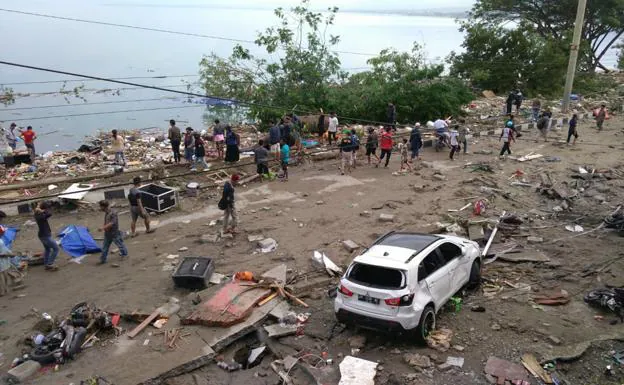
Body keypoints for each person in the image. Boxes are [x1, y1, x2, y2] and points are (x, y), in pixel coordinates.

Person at [98, 200, 128, 265]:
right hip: (107, 233)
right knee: (105, 247)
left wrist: (103, 227)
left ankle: (124, 254)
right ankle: (103, 259)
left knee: (120, 245)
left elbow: (112, 223)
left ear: (104, 207)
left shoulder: (113, 213)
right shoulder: (106, 212)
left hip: (114, 233)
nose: (100, 208)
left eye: (101, 206)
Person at [34, 201, 59, 271]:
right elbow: (49, 213)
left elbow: (47, 212)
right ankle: (50, 264)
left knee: (47, 250)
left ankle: (46, 264)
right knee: (56, 249)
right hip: (45, 235)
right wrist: (41, 210)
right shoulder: (40, 215)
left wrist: (40, 208)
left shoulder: (38, 214)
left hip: (43, 235)